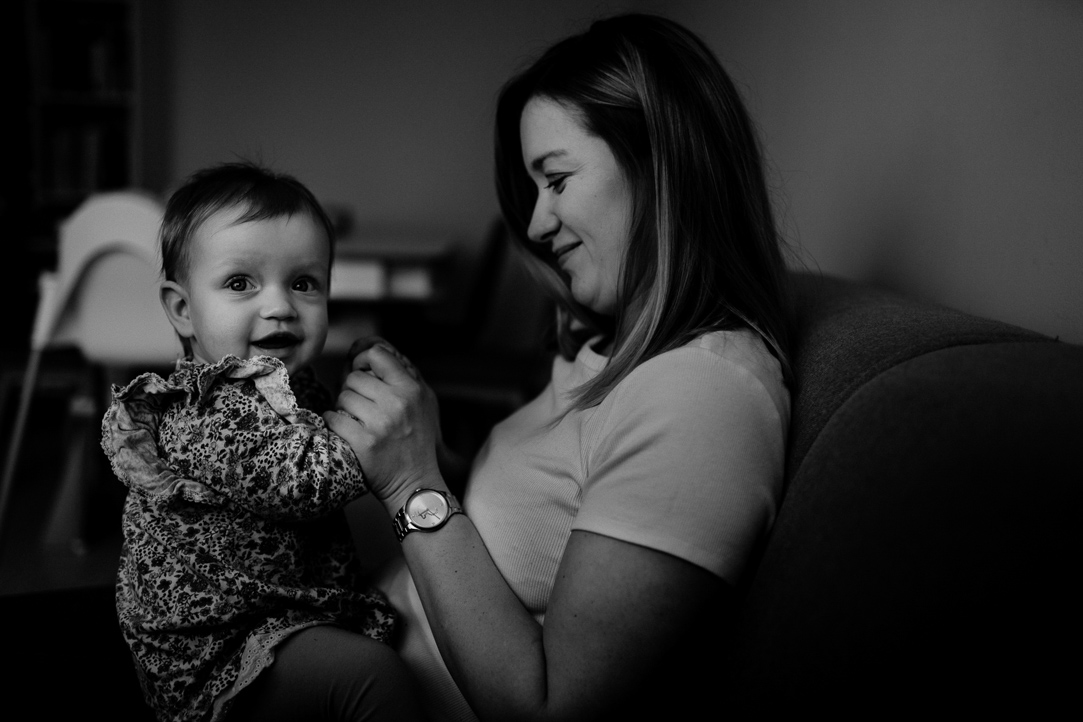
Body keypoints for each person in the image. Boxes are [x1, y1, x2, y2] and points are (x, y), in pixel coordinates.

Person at [323, 13, 794, 722]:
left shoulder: (700, 395)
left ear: (659, 166)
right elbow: (534, 516)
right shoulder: (611, 347)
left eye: (558, 179)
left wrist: (412, 484)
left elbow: (550, 707)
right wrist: (426, 447)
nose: (538, 224)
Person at [100, 163, 425, 722]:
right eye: (240, 284)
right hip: (222, 644)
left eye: (304, 283)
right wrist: (389, 434)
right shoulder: (206, 410)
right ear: (183, 310)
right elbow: (302, 483)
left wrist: (369, 393)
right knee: (374, 675)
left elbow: (326, 426)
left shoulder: (291, 387)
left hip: (278, 606)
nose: (280, 306)